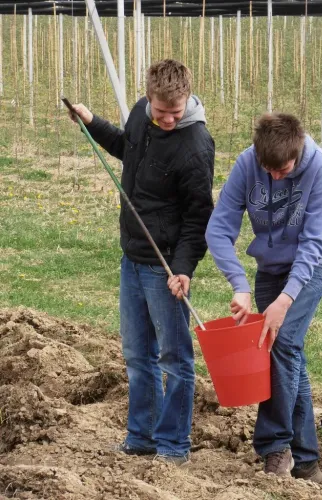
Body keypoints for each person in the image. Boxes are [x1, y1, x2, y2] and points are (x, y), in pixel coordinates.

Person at [69, 59, 214, 465]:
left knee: (175, 359)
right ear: (149, 98)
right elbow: (126, 147)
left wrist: (184, 268)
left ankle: (172, 447)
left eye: (177, 111)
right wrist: (91, 121)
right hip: (132, 257)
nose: (169, 119)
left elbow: (199, 216)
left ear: (187, 98)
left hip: (165, 266)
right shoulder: (140, 113)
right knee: (137, 355)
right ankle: (142, 437)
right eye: (161, 111)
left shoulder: (196, 146)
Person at [205, 113, 322, 482]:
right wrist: (240, 284)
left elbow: (314, 241)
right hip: (270, 264)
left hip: (315, 262)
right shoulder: (247, 164)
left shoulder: (318, 166)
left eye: (285, 170)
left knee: (278, 342)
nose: (278, 176)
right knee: (288, 350)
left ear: (298, 154)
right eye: (271, 170)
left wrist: (285, 300)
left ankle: (275, 447)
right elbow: (218, 228)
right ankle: (308, 461)